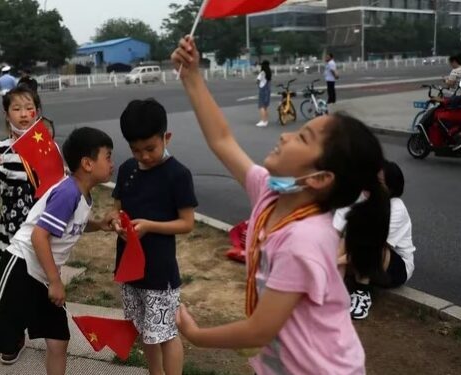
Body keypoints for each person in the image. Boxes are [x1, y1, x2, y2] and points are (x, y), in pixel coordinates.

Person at [171, 36, 390, 374]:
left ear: (318, 178)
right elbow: (222, 139)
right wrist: (193, 77)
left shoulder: (303, 241)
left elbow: (260, 329)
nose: (286, 135)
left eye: (302, 138)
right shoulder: (271, 194)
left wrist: (196, 335)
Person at [0, 127, 116, 375]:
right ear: (88, 164)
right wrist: (55, 281)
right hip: (22, 268)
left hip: (42, 275)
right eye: (108, 156)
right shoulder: (68, 192)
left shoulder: (82, 193)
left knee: (58, 340)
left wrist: (99, 224)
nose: (112, 163)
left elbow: (70, 225)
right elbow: (39, 236)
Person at [111, 99, 197, 375]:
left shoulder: (178, 174)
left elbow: (187, 223)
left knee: (166, 333)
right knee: (144, 331)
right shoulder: (127, 170)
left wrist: (150, 226)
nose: (144, 156)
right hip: (129, 269)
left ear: (166, 137)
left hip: (160, 273)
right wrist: (116, 223)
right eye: (136, 150)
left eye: (150, 148)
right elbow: (117, 210)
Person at [0, 86, 42, 364]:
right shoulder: (0, 149)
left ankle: (38, 329)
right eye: (16, 109)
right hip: (10, 230)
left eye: (28, 108)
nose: (23, 114)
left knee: (35, 284)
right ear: (6, 115)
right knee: (5, 285)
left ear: (36, 112)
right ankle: (12, 336)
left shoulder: (46, 147)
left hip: (39, 230)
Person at [334, 160, 415, 320]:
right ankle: (332, 290)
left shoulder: (396, 208)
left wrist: (333, 262)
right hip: (357, 257)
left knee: (369, 247)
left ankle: (362, 293)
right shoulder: (357, 197)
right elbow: (333, 232)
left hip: (393, 266)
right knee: (343, 239)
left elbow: (371, 247)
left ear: (390, 188)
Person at [256, 60, 272, 127]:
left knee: (261, 106)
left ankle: (263, 121)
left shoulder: (262, 73)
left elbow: (257, 81)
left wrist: (258, 83)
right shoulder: (269, 72)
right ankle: (266, 121)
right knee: (265, 106)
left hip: (262, 90)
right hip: (268, 90)